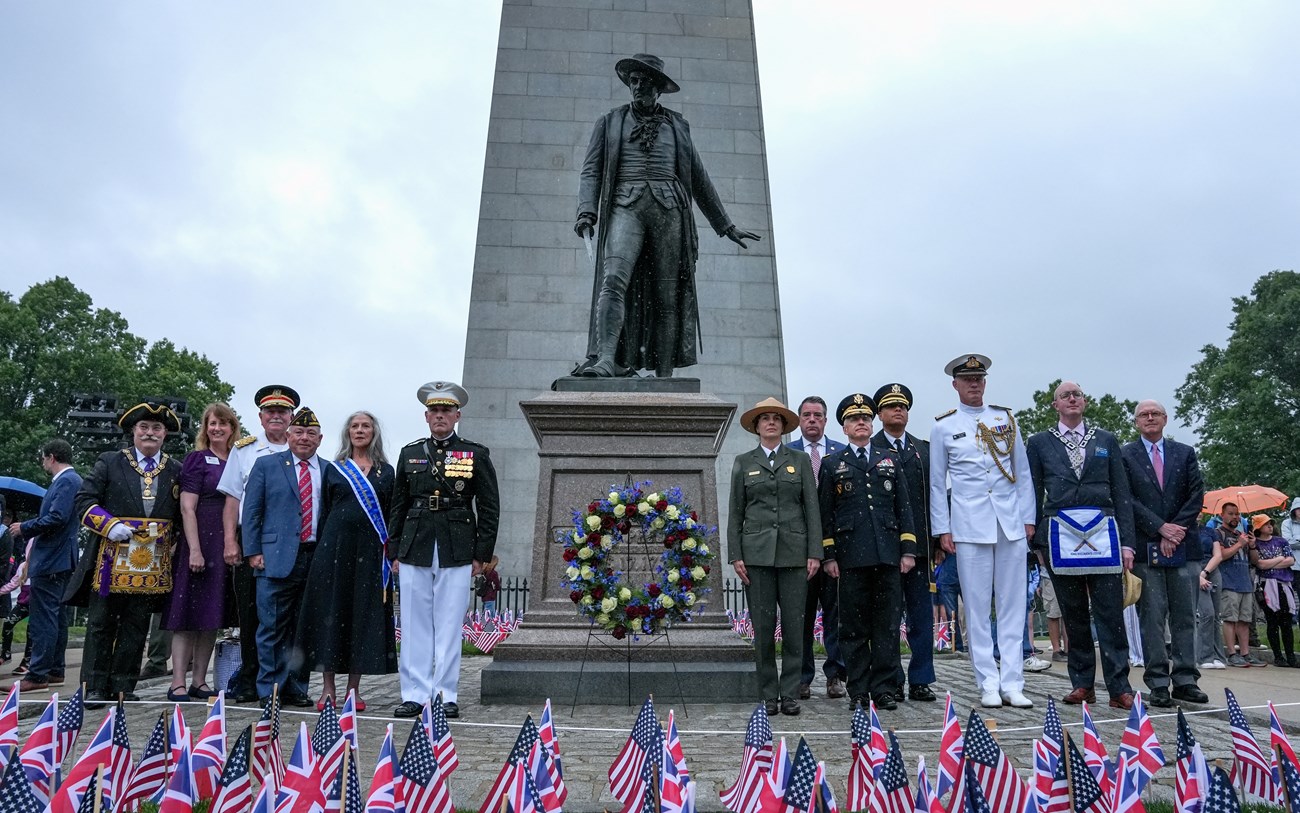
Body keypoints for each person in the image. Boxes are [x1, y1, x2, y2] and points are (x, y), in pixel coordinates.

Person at [572, 53, 761, 378]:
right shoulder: (610, 121)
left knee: (667, 293)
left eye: (645, 81)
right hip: (625, 205)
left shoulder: (677, 126)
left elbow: (698, 177)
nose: (638, 86)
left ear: (658, 87)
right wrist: (586, 210)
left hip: (669, 209)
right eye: (634, 81)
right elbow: (591, 170)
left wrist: (725, 225)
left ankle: (664, 374)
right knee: (613, 278)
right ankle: (605, 359)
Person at [929, 354, 1036, 710]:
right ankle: (988, 682)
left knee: (1012, 605)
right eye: (967, 379)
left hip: (1009, 523)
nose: (974, 384)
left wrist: (1028, 518)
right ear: (955, 384)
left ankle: (1013, 682)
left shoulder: (1004, 419)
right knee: (975, 608)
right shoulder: (944, 426)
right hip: (969, 525)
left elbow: (1021, 473)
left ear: (985, 382)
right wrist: (942, 528)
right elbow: (936, 483)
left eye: (979, 378)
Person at [389, 381, 500, 720]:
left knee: (450, 622)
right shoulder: (410, 453)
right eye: (434, 411)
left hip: (457, 543)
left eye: (446, 411)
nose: (440, 416)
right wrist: (393, 549)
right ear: (426, 416)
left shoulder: (475, 453)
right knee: (413, 622)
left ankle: (444, 694)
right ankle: (414, 693)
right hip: (415, 542)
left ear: (457, 415)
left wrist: (482, 553)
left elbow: (490, 506)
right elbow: (398, 504)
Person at [1027, 380, 1138, 710]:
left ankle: (1119, 686)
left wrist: (1128, 543)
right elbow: (1033, 491)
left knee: (1110, 614)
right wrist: (1035, 541)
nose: (1072, 399)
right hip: (1059, 534)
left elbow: (1122, 493)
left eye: (1076, 394)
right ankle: (1082, 683)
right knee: (1073, 614)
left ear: (1084, 402)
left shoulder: (1106, 440)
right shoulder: (1039, 443)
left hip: (1104, 534)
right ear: (1055, 405)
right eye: (1065, 395)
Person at [71, 400, 183, 707]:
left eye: (157, 428)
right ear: (133, 431)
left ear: (165, 434)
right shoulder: (110, 461)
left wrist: (173, 541)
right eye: (144, 427)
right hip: (110, 560)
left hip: (152, 563)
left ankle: (124, 684)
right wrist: (108, 525)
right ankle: (94, 685)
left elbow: (182, 515)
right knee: (101, 623)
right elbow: (83, 500)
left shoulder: (176, 469)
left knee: (137, 625)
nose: (150, 433)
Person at [820, 393, 917, 712]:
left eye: (865, 418)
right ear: (845, 428)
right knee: (853, 627)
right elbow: (827, 513)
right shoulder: (832, 463)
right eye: (853, 419)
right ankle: (858, 688)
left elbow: (903, 506)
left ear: (872, 423)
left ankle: (885, 687)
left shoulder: (889, 458)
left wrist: (907, 550)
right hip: (850, 558)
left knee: (888, 625)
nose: (860, 423)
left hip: (888, 554)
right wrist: (830, 555)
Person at [297, 410, 398, 711]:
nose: (360, 430)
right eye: (354, 426)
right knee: (331, 614)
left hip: (370, 554)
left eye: (365, 426)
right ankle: (328, 688)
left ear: (374, 432)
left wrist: (392, 554)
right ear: (347, 433)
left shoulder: (386, 472)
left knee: (362, 618)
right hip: (335, 551)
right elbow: (324, 511)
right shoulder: (334, 469)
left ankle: (354, 689)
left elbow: (391, 515)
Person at [729, 397, 821, 716]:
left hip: (795, 555)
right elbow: (736, 512)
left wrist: (814, 552)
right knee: (763, 629)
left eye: (777, 419)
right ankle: (768, 693)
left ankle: (791, 692)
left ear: (783, 426)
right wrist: (736, 555)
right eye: (765, 418)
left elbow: (811, 508)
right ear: (756, 426)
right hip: (756, 556)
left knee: (795, 628)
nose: (771, 422)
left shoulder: (798, 459)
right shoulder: (744, 461)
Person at [1120, 399, 1208, 707]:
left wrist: (1176, 529)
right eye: (1143, 414)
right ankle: (1157, 682)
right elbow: (1125, 498)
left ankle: (1186, 680)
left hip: (1185, 546)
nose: (1150, 418)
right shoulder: (1125, 455)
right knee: (1152, 618)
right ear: (1136, 422)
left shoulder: (1185, 453)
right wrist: (1160, 528)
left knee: (1186, 616)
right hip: (1146, 547)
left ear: (1165, 419)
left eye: (1155, 413)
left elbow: (1197, 493)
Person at [216, 384, 299, 703]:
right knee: (250, 614)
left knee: (289, 616)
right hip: (250, 538)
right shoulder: (244, 450)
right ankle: (250, 679)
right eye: (270, 412)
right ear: (261, 417)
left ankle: (289, 681)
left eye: (283, 412)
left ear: (291, 417)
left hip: (290, 540)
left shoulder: (300, 449)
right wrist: (229, 542)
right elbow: (232, 500)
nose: (276, 416)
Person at [242, 406, 323, 707]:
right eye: (299, 432)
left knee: (304, 628)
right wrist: (253, 551)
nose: (304, 438)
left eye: (311, 433)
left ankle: (297, 687)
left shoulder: (329, 470)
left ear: (320, 438)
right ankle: (270, 690)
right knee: (272, 627)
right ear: (289, 435)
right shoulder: (266, 465)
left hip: (314, 558)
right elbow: (252, 511)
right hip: (273, 558)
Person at [163, 403, 240, 703]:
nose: (217, 428)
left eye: (223, 423)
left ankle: (199, 681)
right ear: (205, 428)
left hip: (225, 542)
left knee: (211, 615)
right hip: (199, 541)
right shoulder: (196, 460)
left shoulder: (236, 459)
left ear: (232, 428)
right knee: (186, 615)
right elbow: (187, 507)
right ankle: (178, 682)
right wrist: (193, 549)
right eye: (211, 423)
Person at [871, 383, 936, 703]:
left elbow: (933, 498)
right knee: (886, 618)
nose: (899, 411)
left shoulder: (923, 450)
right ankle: (892, 678)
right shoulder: (869, 448)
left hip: (920, 547)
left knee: (921, 616)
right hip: (883, 547)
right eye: (891, 407)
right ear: (880, 414)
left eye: (903, 406)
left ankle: (922, 678)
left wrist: (937, 539)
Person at [6, 439, 83, 692]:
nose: (42, 463)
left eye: (43, 458)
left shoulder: (66, 481)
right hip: (60, 558)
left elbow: (56, 517)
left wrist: (24, 527)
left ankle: (37, 674)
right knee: (57, 617)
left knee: (44, 618)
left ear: (51, 457)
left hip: (51, 559)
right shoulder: (71, 481)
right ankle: (54, 670)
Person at [786, 396, 847, 700]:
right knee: (802, 616)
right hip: (800, 549)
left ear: (825, 421)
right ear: (799, 420)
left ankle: (836, 675)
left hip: (836, 547)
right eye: (807, 415)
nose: (812, 420)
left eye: (818, 415)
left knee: (836, 615)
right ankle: (802, 676)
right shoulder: (788, 453)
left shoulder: (841, 452)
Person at [1205, 503, 1259, 667]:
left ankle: (1245, 653)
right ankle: (1232, 653)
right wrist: (1238, 545)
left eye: (1237, 514)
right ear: (1222, 515)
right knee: (1229, 619)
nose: (1235, 517)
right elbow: (1221, 555)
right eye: (1231, 514)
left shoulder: (1242, 535)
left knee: (1244, 620)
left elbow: (1255, 560)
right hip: (1228, 582)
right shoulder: (1218, 533)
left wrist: (1252, 545)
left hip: (1245, 582)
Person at [1248, 515, 1297, 666]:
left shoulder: (1280, 541)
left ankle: (1290, 656)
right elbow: (1260, 565)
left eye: (1270, 524)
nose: (1269, 526)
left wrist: (1271, 563)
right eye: (1265, 524)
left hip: (1284, 583)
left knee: (1286, 621)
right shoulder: (1256, 544)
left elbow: (1290, 560)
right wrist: (1279, 559)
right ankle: (1278, 656)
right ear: (1258, 528)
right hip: (1266, 585)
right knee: (1272, 621)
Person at [1196, 516, 1228, 670]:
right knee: (1206, 613)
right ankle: (1204, 656)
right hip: (1194, 569)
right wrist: (1199, 576)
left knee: (1216, 615)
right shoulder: (1184, 531)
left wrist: (1205, 572)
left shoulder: (1210, 531)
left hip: (1212, 569)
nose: (1197, 515)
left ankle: (1218, 655)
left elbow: (1218, 555)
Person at [1283, 498, 1300, 573]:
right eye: (1298, 508)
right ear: (1294, 510)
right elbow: (1287, 542)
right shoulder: (1286, 523)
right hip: (1294, 566)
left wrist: (1296, 540)